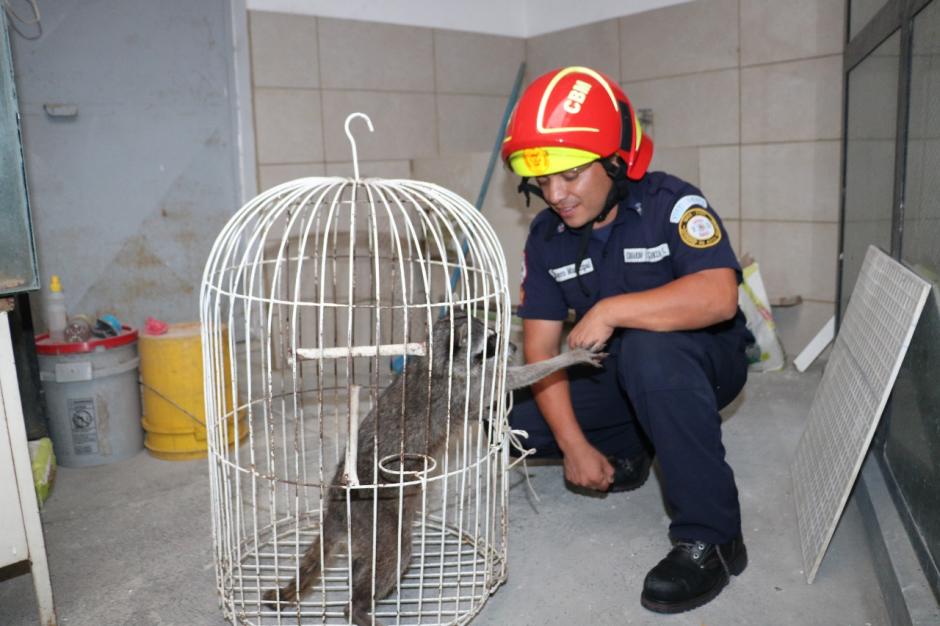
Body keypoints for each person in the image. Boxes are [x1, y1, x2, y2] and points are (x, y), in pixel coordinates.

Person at [502, 66, 754, 614]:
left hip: (701, 362)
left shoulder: (672, 203)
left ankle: (713, 537)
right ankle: (628, 448)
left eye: (569, 175)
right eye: (543, 181)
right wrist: (574, 446)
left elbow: (719, 296)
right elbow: (541, 353)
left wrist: (614, 309)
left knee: (648, 349)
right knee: (510, 420)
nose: (555, 195)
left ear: (617, 160)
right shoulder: (546, 238)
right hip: (618, 371)